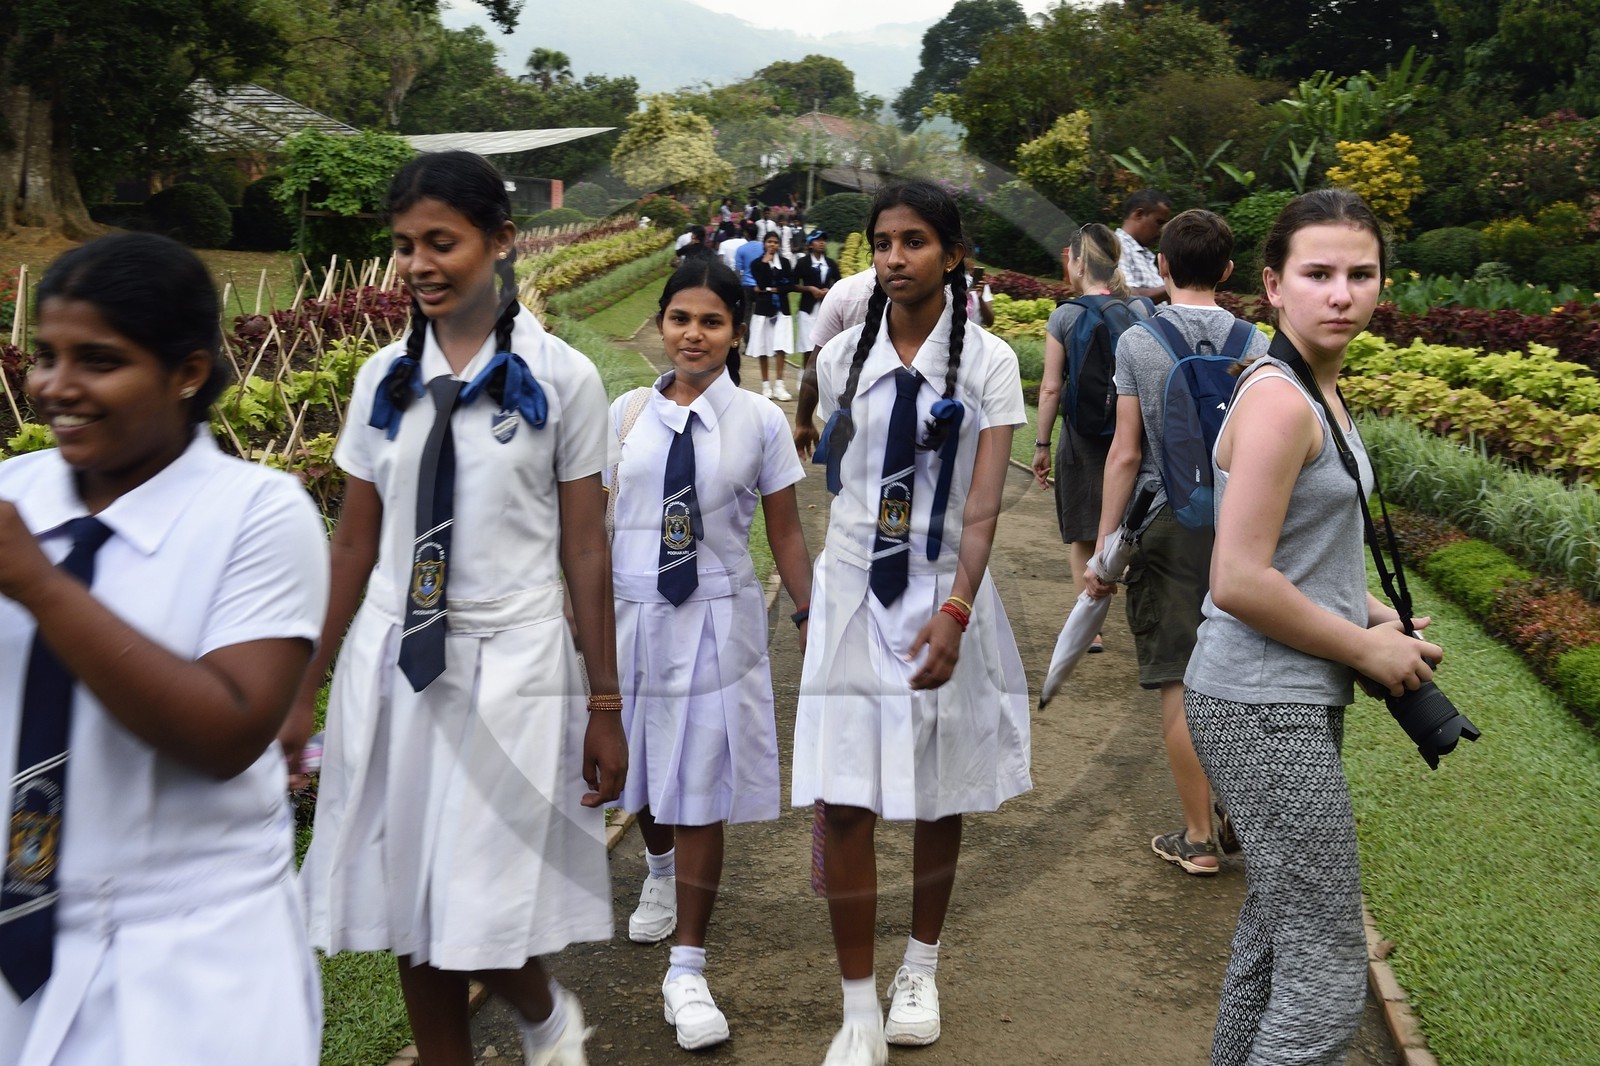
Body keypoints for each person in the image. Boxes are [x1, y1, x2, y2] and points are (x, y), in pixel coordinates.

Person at [298, 150, 625, 1066]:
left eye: (441, 242)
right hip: (395, 664)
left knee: (477, 897)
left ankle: (544, 1012)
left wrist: (605, 705)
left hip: (512, 664)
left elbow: (585, 548)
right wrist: (304, 689)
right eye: (404, 247)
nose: (419, 265)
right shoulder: (379, 382)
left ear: (501, 241)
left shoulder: (564, 382)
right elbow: (355, 543)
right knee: (412, 895)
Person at [0, 233, 329, 1064]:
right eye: (46, 355)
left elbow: (224, 735)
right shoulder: (15, 496)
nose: (56, 388)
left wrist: (41, 587)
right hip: (17, 932)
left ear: (187, 372)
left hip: (186, 955)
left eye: (99, 361)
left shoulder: (256, 513)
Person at [1185, 189, 1442, 1065]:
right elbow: (1240, 576)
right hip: (1261, 703)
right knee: (1329, 975)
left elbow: (1293, 553)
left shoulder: (1314, 389)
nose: (1342, 293)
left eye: (1360, 275)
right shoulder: (1282, 401)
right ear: (1274, 284)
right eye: (1319, 273)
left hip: (1281, 696)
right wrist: (1368, 646)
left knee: (1271, 943)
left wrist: (1381, 616)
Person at [793, 181, 1031, 1066]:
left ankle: (920, 967)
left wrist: (957, 612)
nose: (896, 258)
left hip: (942, 597)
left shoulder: (989, 366)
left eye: (916, 242)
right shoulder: (838, 359)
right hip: (856, 593)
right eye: (883, 242)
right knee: (847, 799)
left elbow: (981, 510)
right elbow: (837, 481)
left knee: (940, 792)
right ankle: (856, 1007)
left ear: (953, 254)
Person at [611, 258, 814, 1051]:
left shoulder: (759, 421)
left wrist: (808, 612)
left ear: (736, 332)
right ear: (661, 325)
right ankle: (657, 871)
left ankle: (688, 967)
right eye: (679, 320)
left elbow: (787, 532)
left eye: (711, 322)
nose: (693, 336)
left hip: (717, 617)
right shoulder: (626, 413)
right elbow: (593, 526)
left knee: (701, 778)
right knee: (646, 771)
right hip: (633, 616)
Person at [1085, 208, 1267, 877]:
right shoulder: (1259, 344)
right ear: (1227, 270)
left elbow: (1125, 455)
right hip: (1247, 529)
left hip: (1169, 525)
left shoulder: (1139, 342)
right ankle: (1238, 809)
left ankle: (1197, 838)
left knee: (1180, 684)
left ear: (1160, 266)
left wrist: (1107, 546)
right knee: (1242, 679)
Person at [1031, 223, 1134, 655]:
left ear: (1076, 262)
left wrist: (1040, 445)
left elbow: (1052, 387)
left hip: (1081, 439)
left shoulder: (1065, 315)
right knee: (1132, 531)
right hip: (1131, 439)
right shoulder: (1139, 313)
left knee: (1084, 535)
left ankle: (1091, 629)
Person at [748, 232, 795, 400]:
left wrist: (777, 289)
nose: (773, 245)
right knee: (763, 346)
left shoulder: (785, 263)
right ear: (764, 244)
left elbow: (791, 284)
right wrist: (764, 264)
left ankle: (780, 385)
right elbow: (760, 284)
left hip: (782, 309)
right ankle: (765, 385)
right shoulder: (756, 264)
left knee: (780, 347)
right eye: (769, 242)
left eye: (775, 242)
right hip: (764, 309)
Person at [1114, 190, 1173, 302]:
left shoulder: (1143, 253)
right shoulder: (1117, 246)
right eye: (1159, 222)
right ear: (1138, 214)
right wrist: (1180, 284)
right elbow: (1128, 295)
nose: (1161, 230)